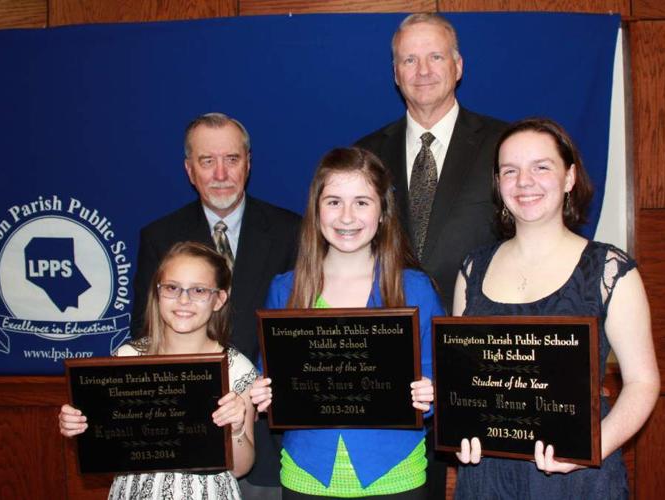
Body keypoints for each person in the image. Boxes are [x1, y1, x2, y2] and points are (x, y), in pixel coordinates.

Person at [452, 118, 660, 499]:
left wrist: (591, 447)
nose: (524, 181)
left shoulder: (609, 270)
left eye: (541, 167)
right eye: (509, 171)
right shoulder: (471, 269)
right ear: (498, 184)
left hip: (578, 478)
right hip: (487, 478)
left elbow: (643, 383)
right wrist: (458, 425)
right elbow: (465, 381)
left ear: (569, 177)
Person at [250, 147, 445, 498]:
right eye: (334, 201)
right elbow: (274, 378)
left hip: (394, 474)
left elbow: (441, 381)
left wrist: (431, 393)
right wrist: (266, 394)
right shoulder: (286, 290)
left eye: (362, 202)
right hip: (307, 474)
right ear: (316, 209)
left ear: (383, 211)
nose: (347, 216)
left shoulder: (414, 289)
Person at [131, 113, 301, 497]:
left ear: (249, 163)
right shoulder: (159, 237)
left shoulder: (293, 231)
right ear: (190, 170)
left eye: (232, 159)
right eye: (207, 162)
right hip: (185, 441)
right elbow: (144, 335)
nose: (221, 173)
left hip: (268, 445)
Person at [59, 241, 258, 499]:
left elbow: (241, 468)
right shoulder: (125, 359)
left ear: (219, 299)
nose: (183, 300)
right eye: (172, 288)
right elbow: (108, 448)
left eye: (199, 290)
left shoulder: (237, 368)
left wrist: (236, 427)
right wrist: (79, 427)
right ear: (157, 292)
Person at [356, 12, 507, 310]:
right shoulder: (366, 155)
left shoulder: (502, 145)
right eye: (409, 60)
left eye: (435, 57)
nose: (422, 71)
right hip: (392, 325)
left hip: (479, 324)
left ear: (458, 67)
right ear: (396, 74)